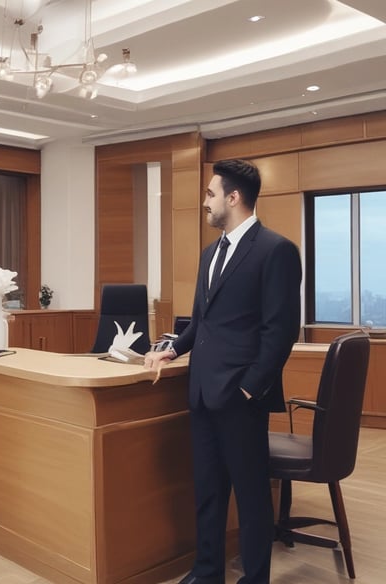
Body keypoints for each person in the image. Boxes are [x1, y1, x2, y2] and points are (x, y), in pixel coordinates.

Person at [144, 159, 302, 584]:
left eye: (210, 194)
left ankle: (255, 579)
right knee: (208, 493)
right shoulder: (210, 253)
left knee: (251, 499)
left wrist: (250, 389)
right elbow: (201, 321)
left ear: (233, 198)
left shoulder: (277, 250)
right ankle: (207, 572)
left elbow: (280, 331)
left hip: (240, 398)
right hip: (201, 393)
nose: (204, 203)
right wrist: (171, 351)